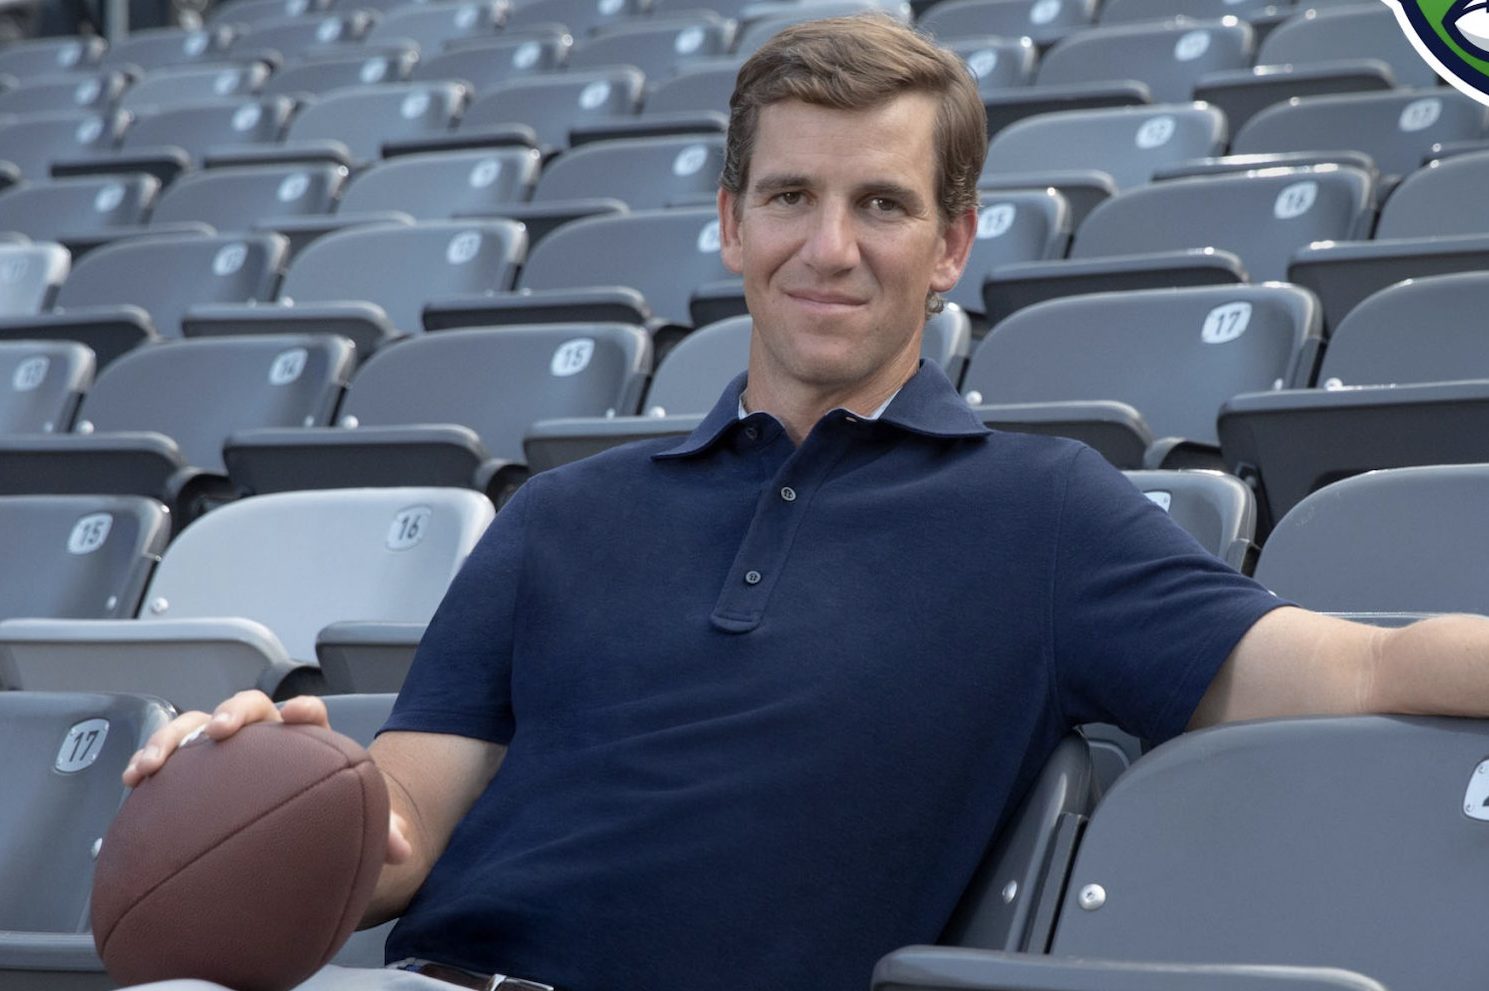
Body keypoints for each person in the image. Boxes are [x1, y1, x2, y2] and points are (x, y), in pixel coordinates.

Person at [123, 12, 1489, 991]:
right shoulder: (561, 514)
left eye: (881, 205)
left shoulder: (1046, 516)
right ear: (731, 223)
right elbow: (400, 836)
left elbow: (1361, 659)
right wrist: (267, 789)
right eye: (790, 196)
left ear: (952, 243)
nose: (829, 249)